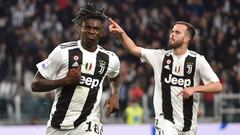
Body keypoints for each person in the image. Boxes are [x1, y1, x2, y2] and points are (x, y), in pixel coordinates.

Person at [109, 18, 222, 135]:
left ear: (187, 38)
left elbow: (217, 86)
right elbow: (133, 48)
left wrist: (194, 88)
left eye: (177, 32)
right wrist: (121, 33)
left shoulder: (197, 60)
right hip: (165, 122)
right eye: (172, 31)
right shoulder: (160, 57)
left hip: (189, 126)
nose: (172, 34)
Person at [31, 1, 121, 135]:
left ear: (102, 32)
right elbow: (35, 85)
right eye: (88, 27)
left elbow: (115, 76)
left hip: (89, 123)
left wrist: (115, 95)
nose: (91, 31)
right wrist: (64, 81)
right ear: (80, 28)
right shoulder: (62, 52)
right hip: (58, 125)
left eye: (96, 29)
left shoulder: (109, 58)